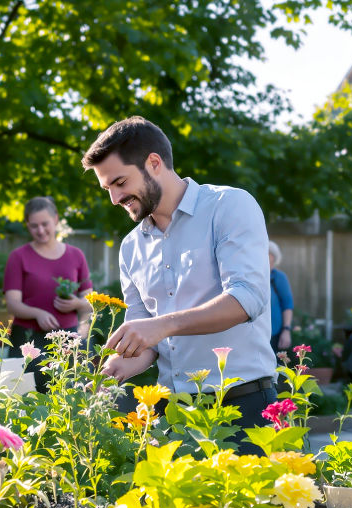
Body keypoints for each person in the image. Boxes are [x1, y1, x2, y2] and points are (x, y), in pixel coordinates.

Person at [83, 116, 276, 431]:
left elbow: (247, 299)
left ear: (154, 163)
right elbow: (146, 340)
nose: (115, 199)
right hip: (171, 413)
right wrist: (108, 373)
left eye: (120, 183)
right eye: (108, 188)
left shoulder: (230, 206)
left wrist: (160, 326)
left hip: (242, 407)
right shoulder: (131, 247)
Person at [3, 196, 92, 389]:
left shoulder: (76, 255)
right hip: (27, 338)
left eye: (45, 224)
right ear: (27, 225)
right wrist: (37, 313)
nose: (40, 230)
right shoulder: (18, 257)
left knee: (63, 397)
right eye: (34, 225)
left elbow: (90, 300)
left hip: (67, 338)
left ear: (56, 219)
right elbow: (12, 303)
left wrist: (77, 304)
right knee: (23, 397)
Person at [267, 242, 294, 352]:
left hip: (275, 334)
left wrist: (286, 330)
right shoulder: (250, 277)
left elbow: (287, 305)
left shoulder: (279, 277)